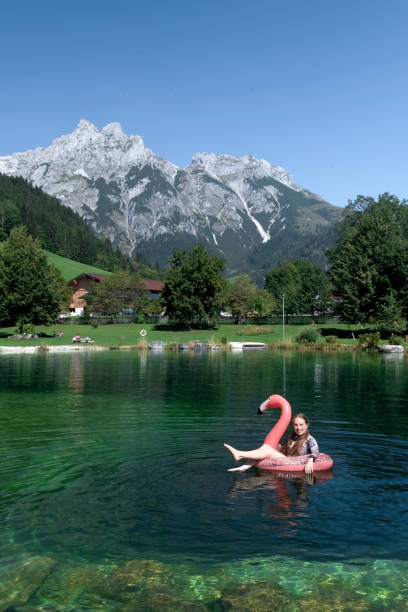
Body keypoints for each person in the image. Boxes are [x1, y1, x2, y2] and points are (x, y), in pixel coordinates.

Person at [224, 413, 319, 474]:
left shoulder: (310, 439)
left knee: (268, 450)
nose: (298, 428)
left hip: (296, 463)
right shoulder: (290, 438)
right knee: (266, 449)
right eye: (296, 425)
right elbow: (280, 449)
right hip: (287, 462)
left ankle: (239, 454)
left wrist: (310, 461)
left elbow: (315, 452)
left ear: (307, 425)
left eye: (301, 425)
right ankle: (244, 467)